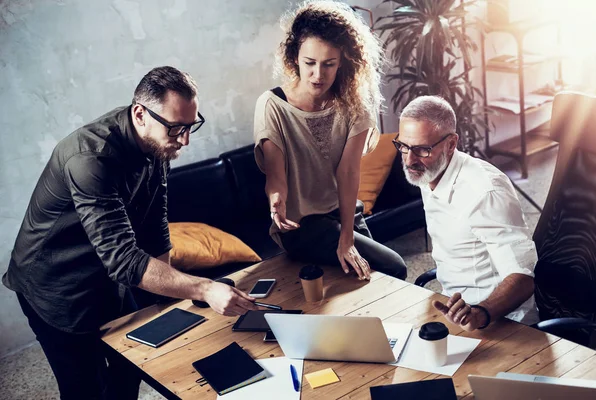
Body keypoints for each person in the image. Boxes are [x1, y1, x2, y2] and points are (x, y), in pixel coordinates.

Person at [2, 66, 257, 400]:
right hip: (56, 287)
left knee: (131, 365)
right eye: (177, 128)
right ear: (140, 114)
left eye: (191, 126)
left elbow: (154, 225)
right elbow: (124, 260)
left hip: (109, 276)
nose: (185, 139)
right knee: (86, 390)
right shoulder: (89, 158)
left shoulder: (158, 144)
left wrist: (169, 295)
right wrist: (204, 287)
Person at [253, 0, 407, 281]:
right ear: (294, 57)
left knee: (378, 280)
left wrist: (347, 237)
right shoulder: (271, 105)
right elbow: (275, 173)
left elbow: (348, 172)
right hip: (302, 225)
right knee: (395, 267)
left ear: (343, 62)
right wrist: (277, 199)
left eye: (329, 64)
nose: (318, 74)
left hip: (346, 213)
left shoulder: (354, 105)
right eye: (309, 63)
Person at [395, 95, 539, 331]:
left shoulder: (484, 192)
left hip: (502, 322)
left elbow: (523, 278)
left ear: (451, 144)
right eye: (403, 146)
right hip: (453, 309)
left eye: (422, 149)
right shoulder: (427, 172)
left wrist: (481, 313)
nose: (410, 160)